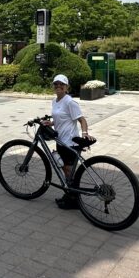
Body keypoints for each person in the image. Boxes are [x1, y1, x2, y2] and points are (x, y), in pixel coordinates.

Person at [42, 74, 91, 210]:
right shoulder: (55, 101)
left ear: (66, 87)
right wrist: (50, 123)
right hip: (60, 141)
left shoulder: (70, 102)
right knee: (65, 170)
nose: (58, 86)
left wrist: (85, 134)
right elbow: (61, 119)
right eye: (56, 84)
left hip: (70, 142)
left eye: (61, 84)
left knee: (68, 171)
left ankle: (74, 198)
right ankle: (70, 195)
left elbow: (82, 120)